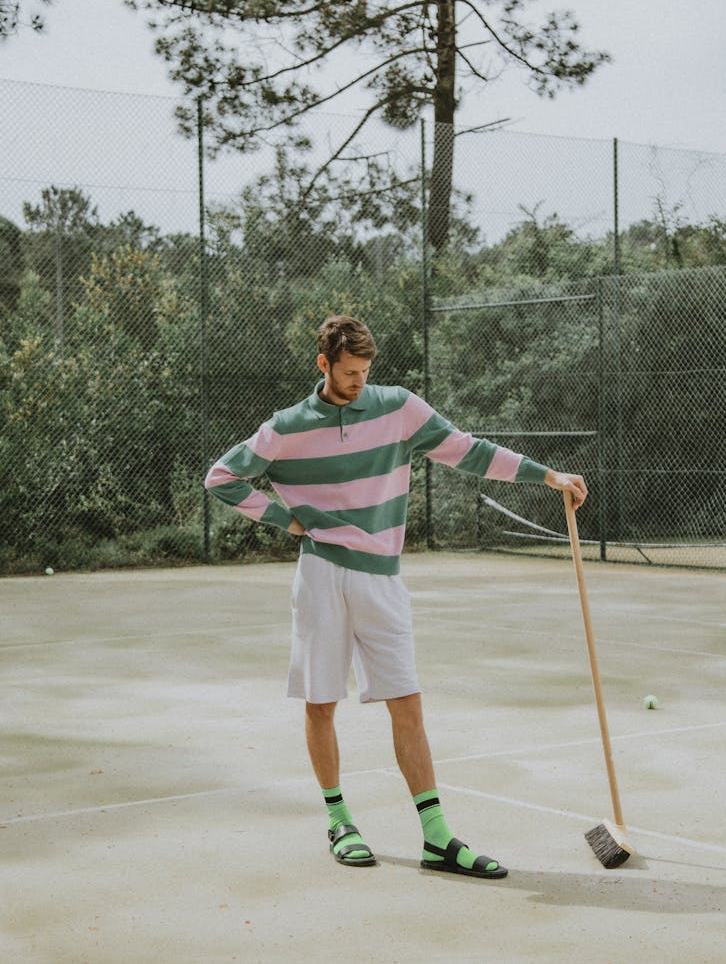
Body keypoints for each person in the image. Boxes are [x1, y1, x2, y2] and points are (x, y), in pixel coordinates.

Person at [205, 315, 587, 879]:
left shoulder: (399, 408)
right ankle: (340, 820)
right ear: (324, 365)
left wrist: (546, 475)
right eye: (349, 372)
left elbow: (466, 450)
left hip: (382, 577)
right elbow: (221, 477)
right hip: (321, 576)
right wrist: (288, 522)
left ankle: (437, 837)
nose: (359, 381)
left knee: (406, 701)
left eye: (365, 372)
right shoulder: (286, 427)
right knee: (321, 701)